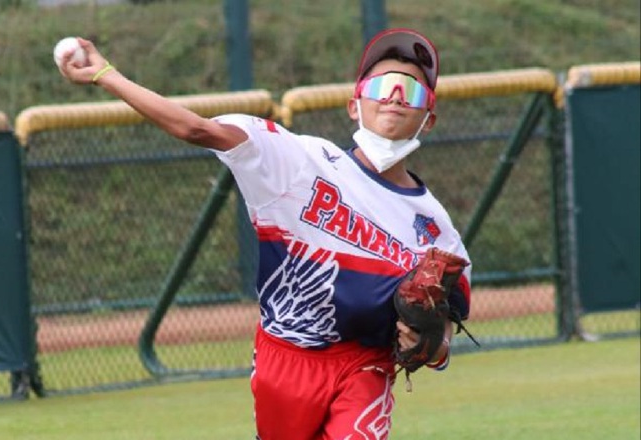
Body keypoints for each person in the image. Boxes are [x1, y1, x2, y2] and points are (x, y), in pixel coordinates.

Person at [57, 27, 471, 440]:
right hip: (285, 355)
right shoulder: (298, 161)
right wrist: (106, 74)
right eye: (383, 85)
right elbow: (196, 129)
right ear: (353, 104)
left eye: (412, 91)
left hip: (364, 364)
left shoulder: (436, 228)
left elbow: (445, 333)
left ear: (429, 119)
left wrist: (431, 344)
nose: (396, 96)